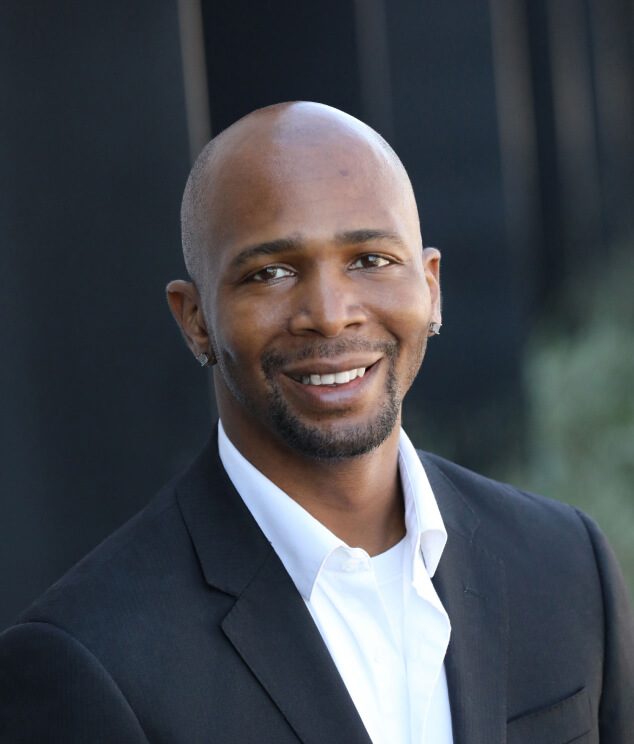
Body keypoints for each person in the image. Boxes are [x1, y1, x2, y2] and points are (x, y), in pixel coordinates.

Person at [0, 102, 632, 744]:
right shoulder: (89, 661)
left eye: (370, 260)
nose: (330, 315)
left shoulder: (565, 563)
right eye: (269, 273)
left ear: (431, 285)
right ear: (194, 319)